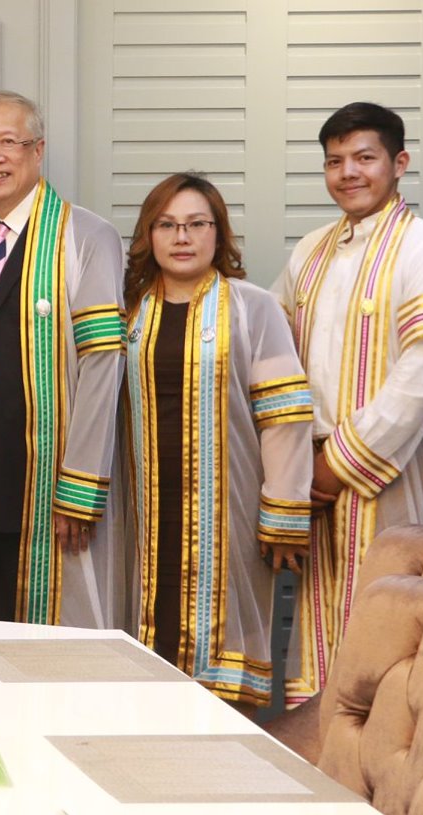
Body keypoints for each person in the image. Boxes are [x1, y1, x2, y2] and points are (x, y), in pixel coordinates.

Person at [274, 101, 423, 703]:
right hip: (309, 470)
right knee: (317, 621)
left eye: (364, 158)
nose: (348, 173)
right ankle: (317, 741)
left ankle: (378, 752)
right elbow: (273, 346)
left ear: (398, 163)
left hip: (387, 472)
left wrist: (337, 465)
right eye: (335, 161)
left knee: (387, 620)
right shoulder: (311, 250)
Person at [118, 174, 311, 708]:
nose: (182, 237)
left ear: (218, 232)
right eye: (166, 225)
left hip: (227, 508)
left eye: (196, 224)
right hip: (143, 508)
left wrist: (284, 510)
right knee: (145, 633)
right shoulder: (128, 310)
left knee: (223, 648)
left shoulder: (253, 307)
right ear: (149, 235)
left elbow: (285, 414)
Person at [0, 90, 126, 627]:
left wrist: (81, 485)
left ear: (38, 149)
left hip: (48, 482)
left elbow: (102, 364)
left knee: (48, 640)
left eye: (8, 142)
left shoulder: (86, 237)